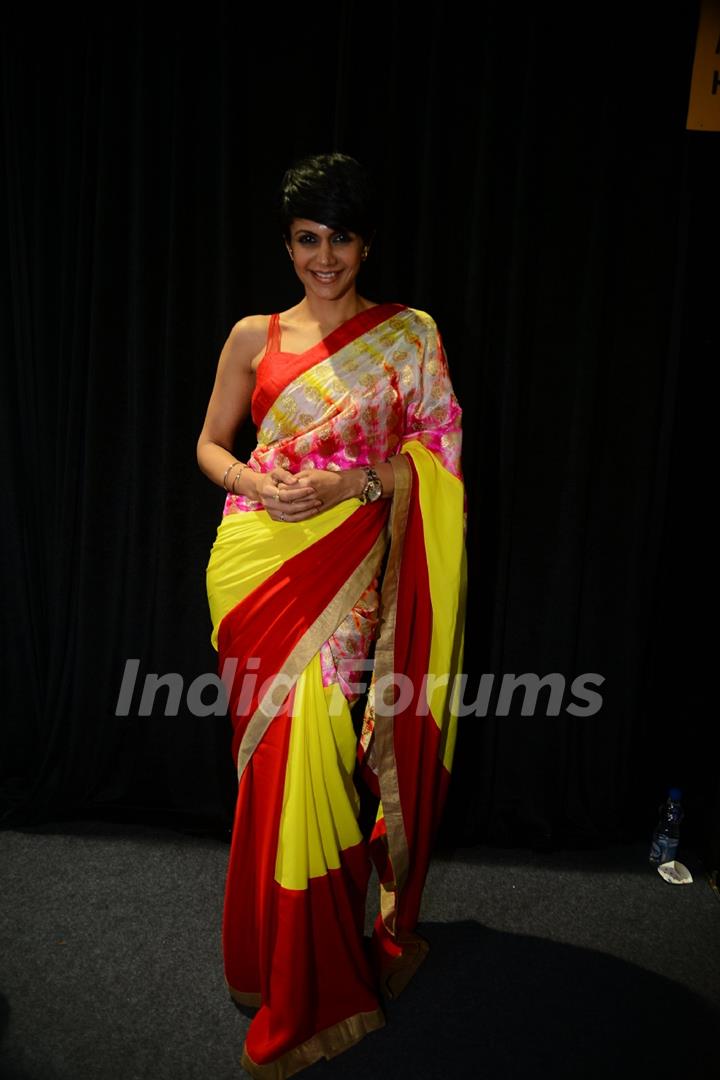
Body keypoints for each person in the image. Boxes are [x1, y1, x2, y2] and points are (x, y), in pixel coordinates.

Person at [197, 152, 467, 1079]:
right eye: (308, 239)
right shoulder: (250, 336)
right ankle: (266, 959)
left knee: (315, 751)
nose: (325, 258)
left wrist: (350, 482)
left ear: (365, 243)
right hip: (251, 568)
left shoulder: (408, 338)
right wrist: (250, 482)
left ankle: (312, 971)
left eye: (340, 238)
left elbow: (439, 461)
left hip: (345, 574)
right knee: (273, 765)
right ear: (288, 243)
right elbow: (208, 441)